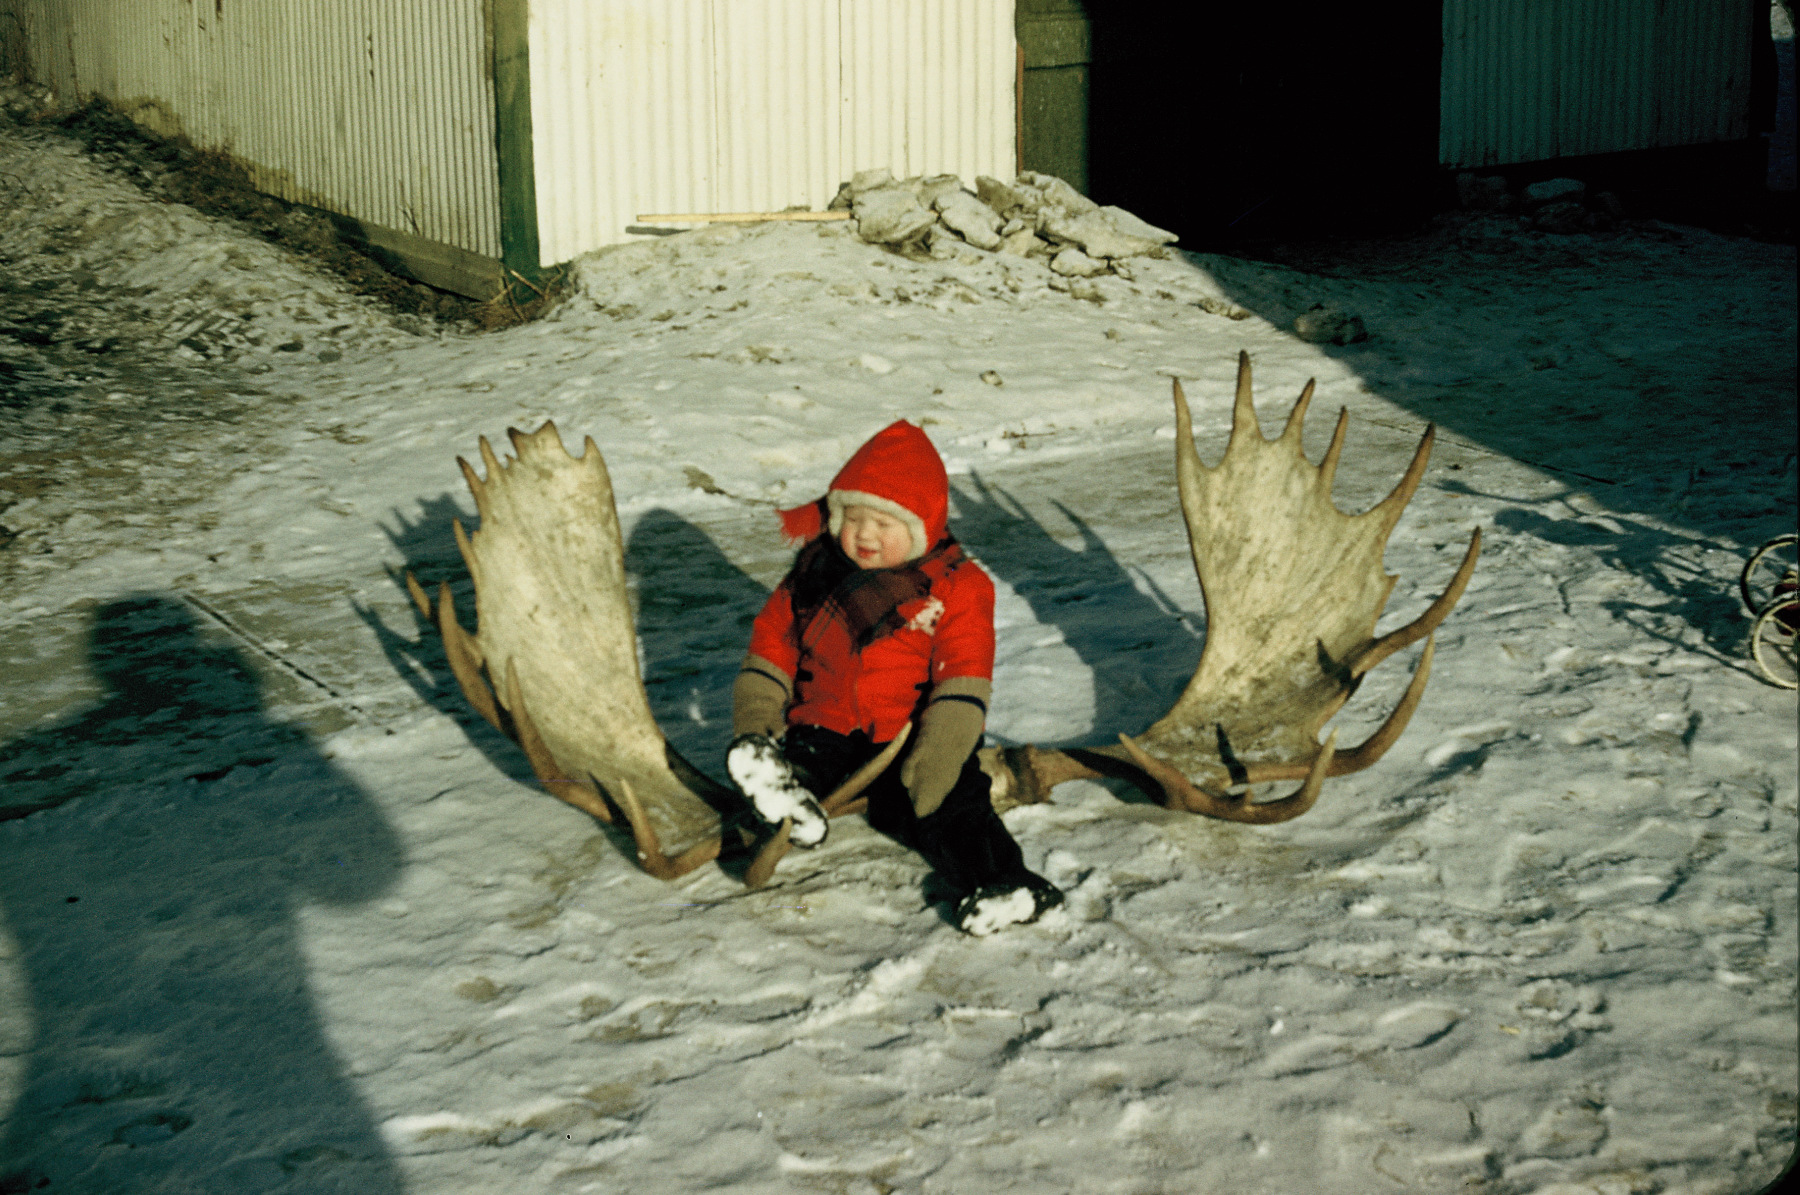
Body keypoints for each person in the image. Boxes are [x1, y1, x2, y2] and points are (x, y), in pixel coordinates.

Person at [726, 420, 1063, 934]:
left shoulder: (957, 587)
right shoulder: (813, 575)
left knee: (950, 807)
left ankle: (1007, 884)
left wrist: (941, 752)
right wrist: (757, 717)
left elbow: (963, 676)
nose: (863, 534)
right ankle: (786, 791)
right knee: (807, 757)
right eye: (853, 518)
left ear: (922, 524)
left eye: (885, 524)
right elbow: (773, 645)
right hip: (826, 722)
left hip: (910, 735)